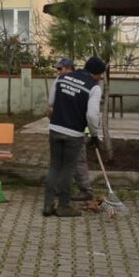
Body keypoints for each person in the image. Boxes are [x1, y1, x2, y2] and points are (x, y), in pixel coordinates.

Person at [45, 55, 106, 217]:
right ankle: (63, 207)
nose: (101, 78)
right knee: (67, 169)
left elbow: (51, 102)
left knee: (54, 167)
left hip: (55, 128)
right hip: (74, 133)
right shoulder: (94, 87)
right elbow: (92, 115)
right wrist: (94, 135)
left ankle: (48, 205)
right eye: (101, 74)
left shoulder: (62, 78)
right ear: (96, 73)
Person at [47, 57, 94, 202]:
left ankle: (84, 190)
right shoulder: (62, 80)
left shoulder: (63, 81)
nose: (58, 72)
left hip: (75, 129)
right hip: (67, 127)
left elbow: (50, 104)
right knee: (64, 161)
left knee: (76, 161)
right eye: (57, 69)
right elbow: (50, 106)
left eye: (60, 69)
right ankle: (62, 191)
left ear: (69, 69)